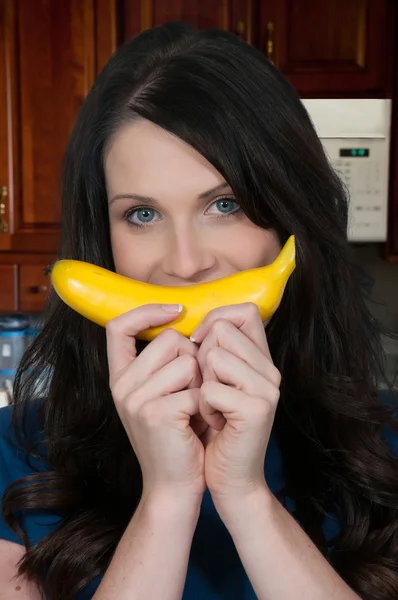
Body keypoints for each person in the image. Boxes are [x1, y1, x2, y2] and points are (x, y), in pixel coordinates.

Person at [1, 20, 398, 600]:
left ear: (291, 217)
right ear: (101, 242)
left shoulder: (388, 448)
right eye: (142, 214)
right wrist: (166, 498)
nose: (185, 263)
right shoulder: (15, 458)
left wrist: (247, 498)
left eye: (225, 203)